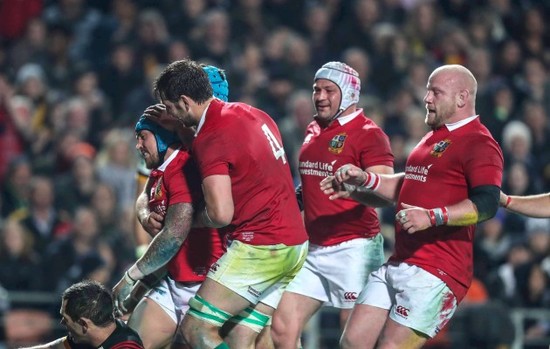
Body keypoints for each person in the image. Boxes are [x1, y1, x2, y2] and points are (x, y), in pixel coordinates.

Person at [321, 64, 504, 348]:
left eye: (435, 92)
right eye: (428, 91)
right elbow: (409, 185)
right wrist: (363, 182)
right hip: (401, 260)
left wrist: (431, 217)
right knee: (352, 341)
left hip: (438, 270)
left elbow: (487, 204)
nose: (426, 98)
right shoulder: (434, 137)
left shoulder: (480, 143)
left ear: (461, 98)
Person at [146, 58, 308, 349]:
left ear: (184, 101)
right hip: (294, 244)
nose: (168, 113)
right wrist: (183, 128)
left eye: (170, 107)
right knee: (241, 337)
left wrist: (186, 220)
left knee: (195, 329)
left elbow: (221, 214)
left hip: (260, 246)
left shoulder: (212, 138)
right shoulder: (251, 112)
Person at [270, 61, 394, 349]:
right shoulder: (314, 127)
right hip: (313, 248)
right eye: (316, 89)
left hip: (355, 248)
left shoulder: (370, 134)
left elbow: (387, 191)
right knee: (281, 327)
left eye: (329, 90)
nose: (320, 96)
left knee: (355, 342)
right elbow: (313, 180)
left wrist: (355, 189)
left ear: (349, 94)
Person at [114, 64, 229, 349]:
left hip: (216, 282)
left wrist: (132, 278)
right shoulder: (164, 160)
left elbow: (175, 233)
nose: (138, 146)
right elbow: (145, 191)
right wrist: (143, 212)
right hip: (176, 278)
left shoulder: (208, 151)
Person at [20, 280, 144, 349]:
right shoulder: (86, 338)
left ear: (83, 324)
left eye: (65, 319)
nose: (62, 322)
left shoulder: (126, 347)